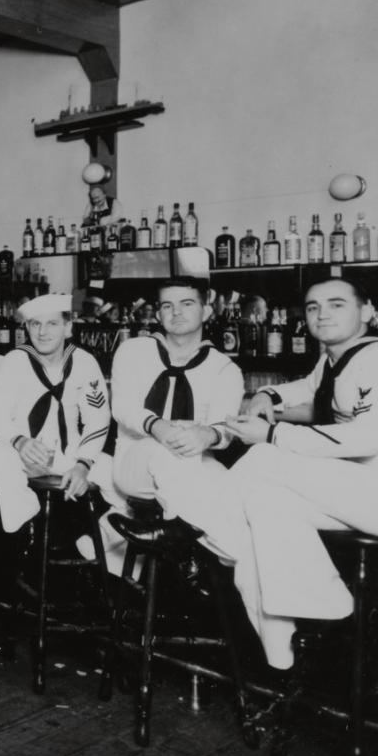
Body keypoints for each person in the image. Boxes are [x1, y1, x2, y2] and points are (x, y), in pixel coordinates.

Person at [103, 277, 274, 662]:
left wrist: (207, 434)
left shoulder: (223, 368)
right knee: (168, 457)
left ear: (206, 310)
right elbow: (124, 407)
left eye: (186, 304)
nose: (176, 313)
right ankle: (195, 552)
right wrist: (159, 427)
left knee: (241, 500)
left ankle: (269, 638)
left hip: (194, 466)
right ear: (157, 312)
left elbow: (227, 429)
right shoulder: (134, 350)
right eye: (167, 306)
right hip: (135, 465)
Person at [227, 277, 378, 669]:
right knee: (264, 505)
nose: (322, 314)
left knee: (262, 460)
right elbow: (309, 386)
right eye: (314, 307)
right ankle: (298, 637)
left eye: (337, 304)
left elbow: (365, 439)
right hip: (356, 493)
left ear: (367, 311)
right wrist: (268, 394)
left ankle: (203, 541)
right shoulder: (337, 357)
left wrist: (272, 433)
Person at [0, 292, 113, 535]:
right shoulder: (15, 360)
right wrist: (20, 442)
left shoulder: (84, 362)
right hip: (22, 452)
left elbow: (98, 418)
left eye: (52, 323)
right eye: (35, 324)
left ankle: (108, 542)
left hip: (71, 454)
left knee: (122, 477)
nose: (43, 332)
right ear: (27, 329)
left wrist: (83, 464)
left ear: (68, 328)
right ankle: (26, 518)